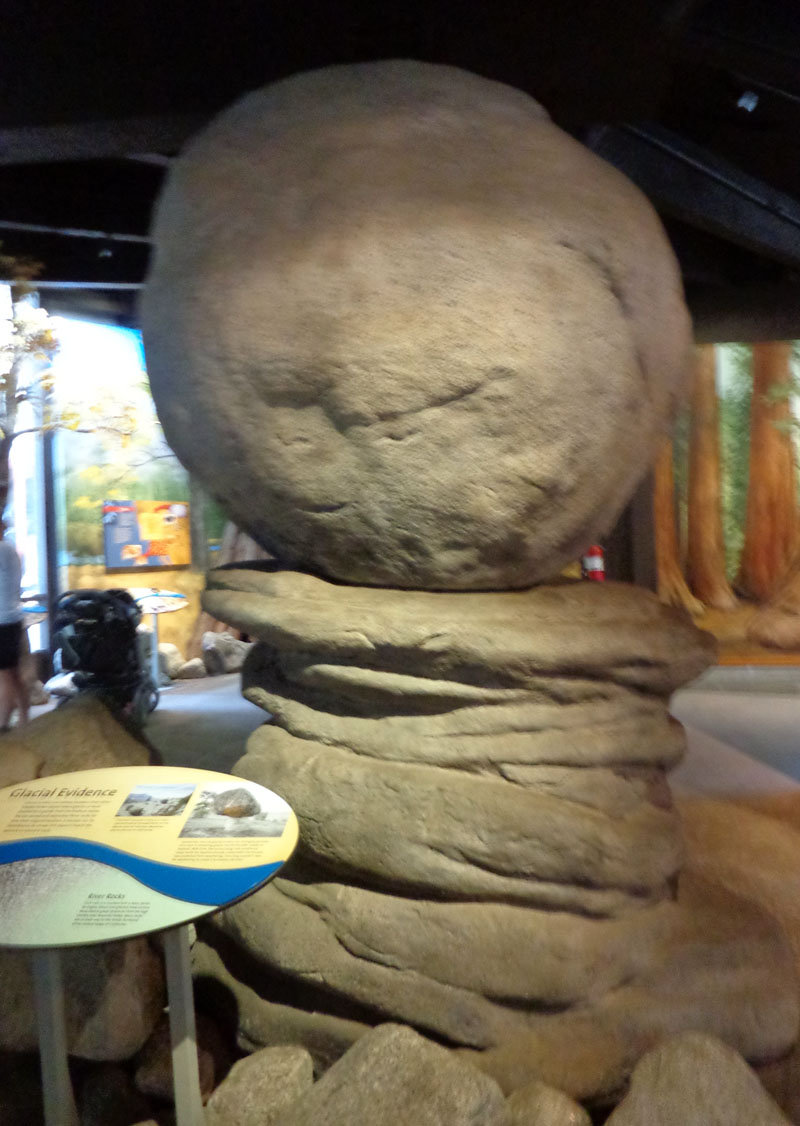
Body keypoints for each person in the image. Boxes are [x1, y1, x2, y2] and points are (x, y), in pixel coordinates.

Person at [0, 519, 27, 729]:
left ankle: (3, 724)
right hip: (12, 619)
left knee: (5, 675)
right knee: (12, 674)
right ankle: (25, 718)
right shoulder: (9, 550)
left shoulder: (3, 549)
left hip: (4, 622)